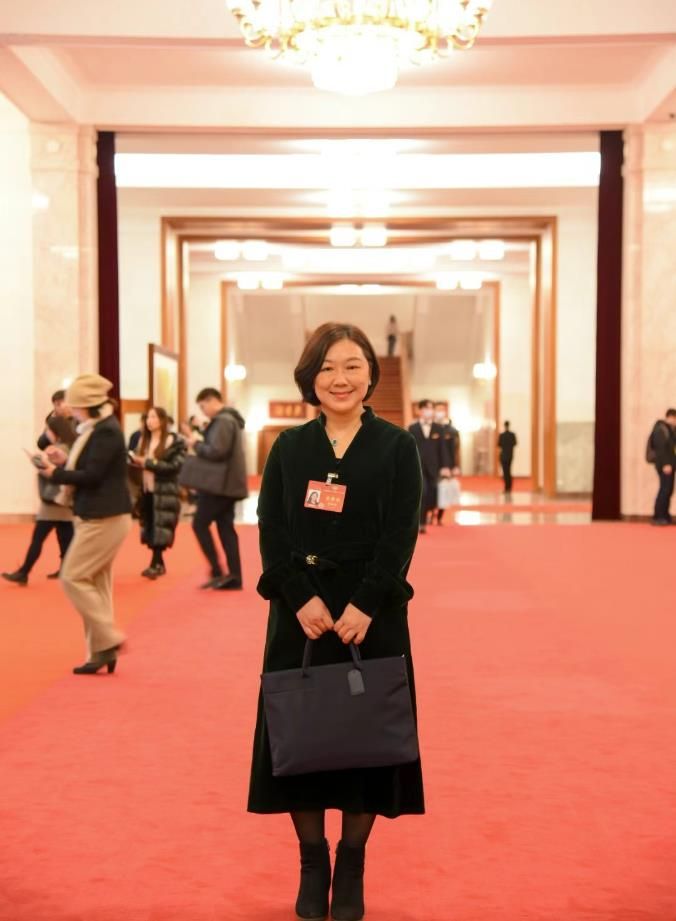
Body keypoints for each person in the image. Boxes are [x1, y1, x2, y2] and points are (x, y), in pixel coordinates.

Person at [248, 322, 424, 921]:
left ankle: (351, 863)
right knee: (299, 734)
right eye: (326, 367)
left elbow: (401, 534)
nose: (339, 378)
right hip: (301, 614)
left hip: (371, 615)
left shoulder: (397, 446)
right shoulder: (289, 447)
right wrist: (299, 597)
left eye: (351, 366)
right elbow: (272, 529)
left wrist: (366, 604)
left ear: (371, 374)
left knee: (366, 739)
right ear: (310, 378)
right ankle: (311, 860)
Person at [40, 374, 133, 676]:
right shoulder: (95, 429)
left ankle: (109, 637)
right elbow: (89, 466)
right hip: (100, 514)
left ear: (89, 406)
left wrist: (55, 473)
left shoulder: (106, 431)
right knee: (96, 583)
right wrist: (63, 460)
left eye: (76, 407)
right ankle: (100, 652)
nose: (72, 411)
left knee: (73, 576)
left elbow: (92, 476)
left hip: (105, 517)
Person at [183, 388, 248, 590]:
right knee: (225, 528)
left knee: (199, 524)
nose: (203, 411)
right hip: (226, 484)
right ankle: (233, 576)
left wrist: (195, 444)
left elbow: (217, 451)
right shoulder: (230, 419)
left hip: (220, 486)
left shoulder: (223, 421)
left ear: (212, 400)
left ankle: (218, 570)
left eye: (203, 406)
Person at [2, 416, 76, 586]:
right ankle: (68, 572)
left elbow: (53, 472)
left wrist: (38, 463)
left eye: (48, 429)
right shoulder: (70, 446)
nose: (46, 433)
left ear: (55, 431)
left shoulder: (59, 449)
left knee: (38, 538)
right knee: (67, 540)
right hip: (65, 502)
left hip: (52, 502)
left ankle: (24, 572)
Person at [129, 406, 186, 578]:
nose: (150, 421)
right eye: (148, 417)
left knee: (160, 526)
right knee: (151, 525)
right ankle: (157, 563)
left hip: (164, 490)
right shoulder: (142, 440)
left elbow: (174, 466)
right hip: (146, 489)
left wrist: (147, 463)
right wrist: (134, 461)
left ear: (162, 420)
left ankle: (156, 563)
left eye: (154, 417)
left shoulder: (173, 441)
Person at [408, 399, 451, 533]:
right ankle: (421, 522)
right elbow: (409, 448)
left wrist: (445, 467)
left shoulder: (439, 428)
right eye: (426, 408)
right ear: (420, 410)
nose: (429, 411)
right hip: (417, 466)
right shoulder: (413, 428)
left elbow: (443, 449)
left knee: (432, 493)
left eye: (431, 408)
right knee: (423, 492)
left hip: (434, 467)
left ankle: (427, 513)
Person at [433, 402, 460, 525]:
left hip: (446, 464)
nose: (440, 412)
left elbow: (454, 450)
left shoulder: (451, 430)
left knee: (443, 490)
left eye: (442, 410)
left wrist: (454, 466)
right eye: (438, 409)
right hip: (431, 464)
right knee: (430, 491)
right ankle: (429, 513)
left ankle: (439, 516)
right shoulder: (430, 428)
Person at [649, 408, 676, 525]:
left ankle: (665, 515)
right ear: (670, 417)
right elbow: (661, 449)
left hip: (670, 465)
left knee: (668, 490)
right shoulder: (661, 429)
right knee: (664, 490)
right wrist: (666, 464)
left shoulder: (670, 430)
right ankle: (658, 516)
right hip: (665, 465)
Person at [497, 421, 517, 494]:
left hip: (503, 456)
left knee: (505, 472)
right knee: (509, 471)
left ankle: (506, 487)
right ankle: (509, 487)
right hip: (510, 455)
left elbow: (499, 444)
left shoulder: (502, 435)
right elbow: (515, 443)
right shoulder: (512, 435)